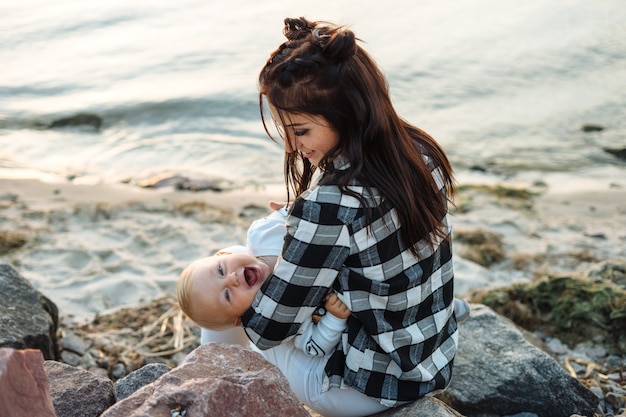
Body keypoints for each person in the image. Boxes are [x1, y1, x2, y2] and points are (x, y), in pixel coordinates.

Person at [239, 17, 460, 416]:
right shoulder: (420, 152)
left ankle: (198, 390)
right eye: (283, 128)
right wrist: (298, 226)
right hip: (432, 357)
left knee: (223, 279)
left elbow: (266, 329)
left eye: (301, 130)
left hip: (368, 387)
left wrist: (277, 245)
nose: (290, 146)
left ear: (347, 113)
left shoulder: (331, 202)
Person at [177, 207, 351, 357]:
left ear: (225, 254)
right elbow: (314, 346)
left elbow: (299, 209)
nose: (232, 279)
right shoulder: (279, 318)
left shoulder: (262, 233)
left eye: (221, 270)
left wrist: (290, 206)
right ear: (241, 321)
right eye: (227, 295)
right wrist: (335, 318)